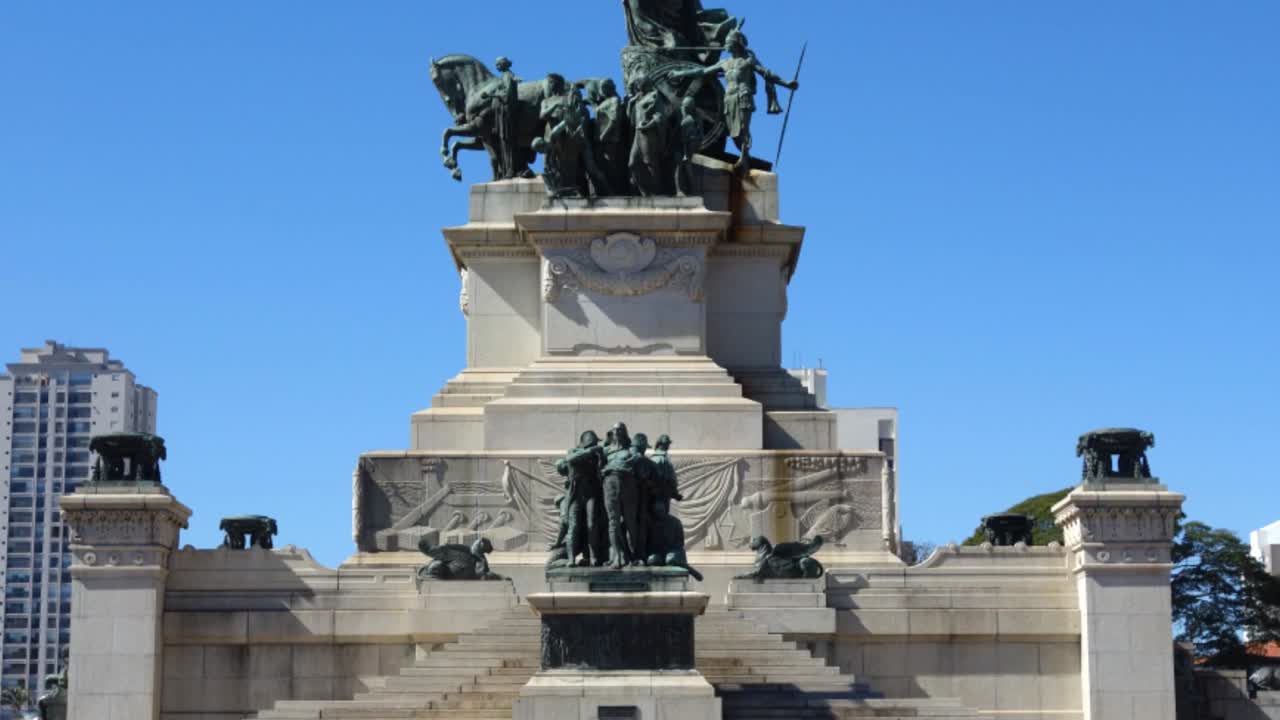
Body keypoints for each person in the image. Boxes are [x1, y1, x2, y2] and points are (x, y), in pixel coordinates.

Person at [672, 29, 798, 174]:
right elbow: (703, 72)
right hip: (728, 99)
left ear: (736, 44)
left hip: (743, 96)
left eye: (728, 43)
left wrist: (787, 84)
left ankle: (744, 157)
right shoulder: (725, 63)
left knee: (743, 128)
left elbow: (767, 74)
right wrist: (680, 73)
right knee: (733, 132)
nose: (725, 46)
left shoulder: (748, 61)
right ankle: (745, 155)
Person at [627, 73, 672, 196]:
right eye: (637, 84)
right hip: (638, 132)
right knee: (632, 164)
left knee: (650, 162)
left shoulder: (654, 96)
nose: (637, 85)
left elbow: (659, 117)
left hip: (648, 133)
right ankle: (645, 192)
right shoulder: (638, 98)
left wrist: (647, 125)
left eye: (639, 83)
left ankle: (657, 192)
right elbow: (631, 119)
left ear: (645, 83)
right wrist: (631, 104)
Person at [674, 96, 704, 197]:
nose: (685, 109)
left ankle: (692, 189)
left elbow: (700, 134)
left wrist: (694, 140)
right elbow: (673, 131)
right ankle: (679, 190)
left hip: (689, 145)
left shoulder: (696, 117)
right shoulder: (678, 115)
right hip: (678, 145)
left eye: (687, 107)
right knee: (679, 167)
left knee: (688, 167)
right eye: (684, 107)